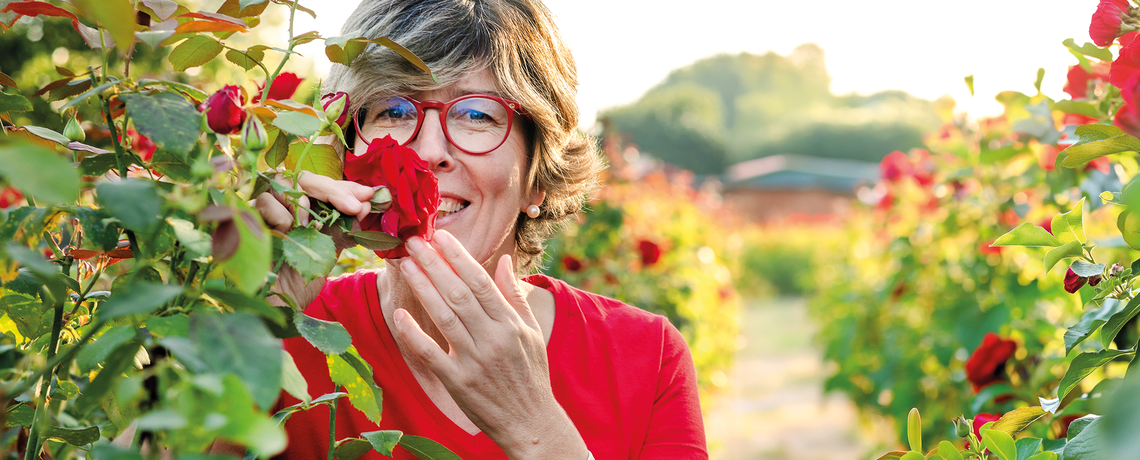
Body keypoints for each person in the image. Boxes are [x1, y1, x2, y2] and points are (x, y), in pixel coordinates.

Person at [255, 0, 707, 458]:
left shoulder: (647, 356)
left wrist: (536, 428)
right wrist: (250, 325)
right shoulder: (292, 327)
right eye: (393, 110)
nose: (430, 151)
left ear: (538, 178)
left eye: (476, 115)